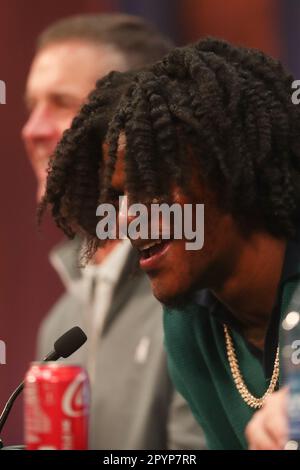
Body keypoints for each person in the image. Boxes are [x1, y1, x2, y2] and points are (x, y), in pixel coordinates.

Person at [41, 37, 300, 450]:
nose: (126, 219)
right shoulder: (188, 325)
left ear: (231, 171)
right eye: (120, 196)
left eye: (150, 187)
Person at [22, 14, 204, 450]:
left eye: (61, 102)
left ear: (131, 122)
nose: (32, 129)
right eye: (30, 105)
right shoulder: (59, 325)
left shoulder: (199, 295)